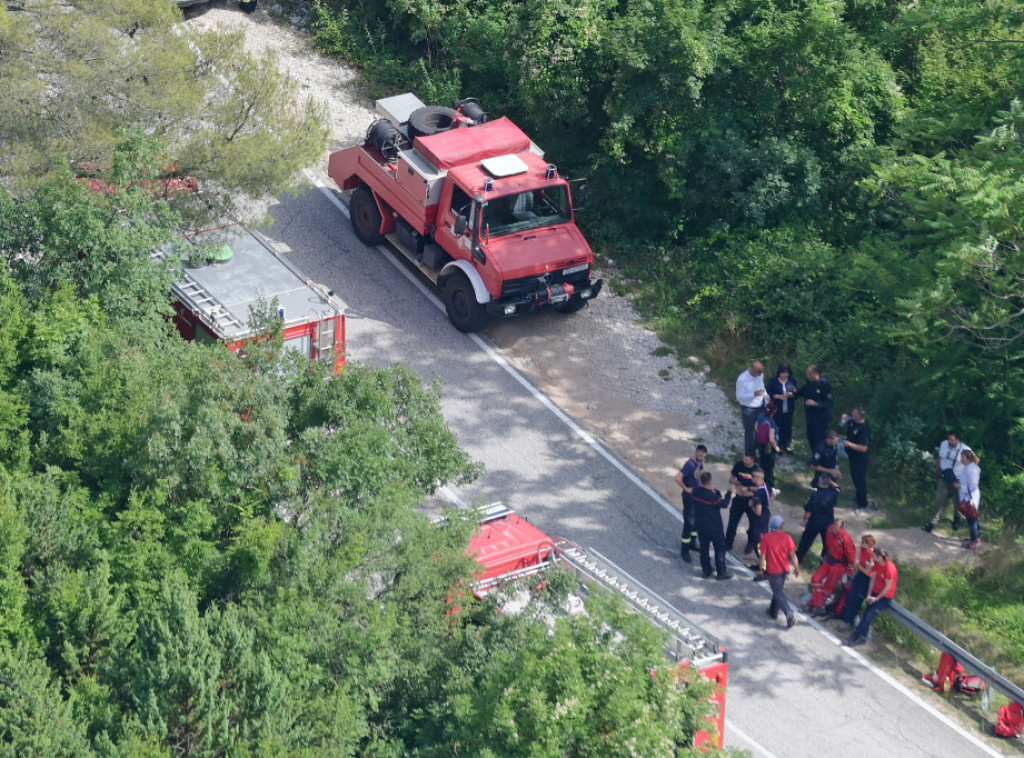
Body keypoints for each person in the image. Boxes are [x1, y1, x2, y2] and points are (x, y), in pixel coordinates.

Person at [844, 547, 897, 646]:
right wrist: (869, 593)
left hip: (884, 596)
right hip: (875, 592)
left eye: (874, 556)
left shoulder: (889, 568)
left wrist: (876, 598)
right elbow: (873, 578)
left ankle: (856, 635)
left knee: (869, 615)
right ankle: (862, 637)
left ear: (880, 557)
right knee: (866, 614)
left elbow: (887, 587)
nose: (872, 557)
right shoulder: (877, 564)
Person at [924, 431, 972, 532]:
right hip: (945, 476)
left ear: (958, 440)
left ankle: (957, 518)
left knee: (959, 500)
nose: (950, 441)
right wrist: (938, 472)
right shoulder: (944, 444)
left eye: (952, 440)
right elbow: (939, 459)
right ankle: (932, 523)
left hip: (959, 478)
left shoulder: (965, 449)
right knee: (939, 499)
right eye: (949, 439)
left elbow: (976, 460)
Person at [691, 472, 735, 580]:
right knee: (720, 549)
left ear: (701, 481)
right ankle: (721, 572)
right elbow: (723, 504)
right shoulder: (712, 497)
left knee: (704, 549)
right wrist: (729, 492)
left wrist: (717, 494)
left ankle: (706, 571)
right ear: (710, 482)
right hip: (714, 528)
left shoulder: (696, 492)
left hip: (701, 526)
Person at [807, 519, 855, 614]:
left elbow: (851, 557)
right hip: (829, 561)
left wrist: (849, 571)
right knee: (815, 579)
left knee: (828, 588)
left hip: (839, 566)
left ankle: (817, 605)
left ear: (841, 528)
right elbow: (828, 545)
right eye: (834, 524)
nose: (834, 526)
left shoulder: (845, 539)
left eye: (836, 525)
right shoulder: (830, 530)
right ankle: (818, 604)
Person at [760, 514, 800, 628]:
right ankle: (773, 612)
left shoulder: (766, 538)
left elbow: (762, 556)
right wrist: (796, 568)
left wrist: (761, 568)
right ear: (781, 526)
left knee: (778, 593)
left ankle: (790, 615)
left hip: (773, 570)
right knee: (778, 591)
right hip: (784, 569)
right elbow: (793, 555)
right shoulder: (787, 537)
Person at [796, 474, 840, 563]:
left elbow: (808, 511)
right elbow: (838, 487)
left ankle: (798, 558)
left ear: (819, 483)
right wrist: (829, 481)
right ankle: (823, 561)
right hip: (828, 522)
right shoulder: (834, 493)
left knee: (806, 541)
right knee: (827, 543)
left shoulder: (815, 495)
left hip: (815, 522)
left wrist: (805, 520)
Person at [675, 445, 707, 563]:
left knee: (696, 522)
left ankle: (693, 542)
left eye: (703, 456)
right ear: (696, 452)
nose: (702, 457)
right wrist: (686, 488)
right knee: (689, 524)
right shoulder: (689, 464)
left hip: (697, 498)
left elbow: (701, 473)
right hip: (689, 499)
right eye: (700, 455)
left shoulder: (699, 463)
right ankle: (684, 550)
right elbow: (678, 478)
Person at [839, 534, 876, 626]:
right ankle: (847, 618)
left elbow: (868, 572)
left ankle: (852, 619)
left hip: (868, 579)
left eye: (864, 542)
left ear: (869, 544)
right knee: (852, 596)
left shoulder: (873, 555)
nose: (861, 544)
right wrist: (861, 566)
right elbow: (856, 565)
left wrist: (860, 566)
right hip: (859, 575)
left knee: (858, 599)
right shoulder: (860, 549)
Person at [725, 454, 758, 552]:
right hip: (739, 498)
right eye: (744, 458)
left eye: (747, 459)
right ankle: (728, 543)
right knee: (732, 522)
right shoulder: (739, 465)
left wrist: (747, 488)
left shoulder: (757, 471)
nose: (744, 461)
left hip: (750, 500)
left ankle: (750, 543)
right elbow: (731, 479)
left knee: (753, 524)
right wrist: (739, 483)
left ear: (753, 459)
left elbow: (759, 488)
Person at [841, 407, 871, 512]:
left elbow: (863, 448)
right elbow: (846, 418)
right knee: (854, 477)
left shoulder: (864, 430)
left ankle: (862, 503)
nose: (852, 415)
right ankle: (858, 497)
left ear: (858, 416)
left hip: (860, 458)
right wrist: (845, 417)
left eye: (854, 414)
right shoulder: (853, 422)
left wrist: (849, 444)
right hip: (853, 456)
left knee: (860, 480)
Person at [798, 364, 834, 452]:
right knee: (811, 437)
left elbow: (829, 402)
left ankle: (822, 458)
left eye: (809, 374)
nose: (808, 376)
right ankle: (815, 457)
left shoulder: (824, 384)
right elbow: (802, 391)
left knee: (819, 438)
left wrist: (816, 403)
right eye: (807, 374)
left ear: (816, 373)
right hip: (810, 416)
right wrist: (795, 391)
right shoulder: (809, 383)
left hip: (820, 417)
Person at [766, 363, 799, 453]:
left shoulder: (792, 380)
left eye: (787, 373)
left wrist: (791, 393)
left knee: (787, 426)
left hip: (789, 408)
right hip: (777, 408)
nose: (785, 375)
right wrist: (778, 396)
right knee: (777, 426)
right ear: (779, 373)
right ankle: (777, 444)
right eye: (783, 373)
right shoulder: (773, 381)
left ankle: (787, 444)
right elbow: (768, 392)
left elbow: (797, 392)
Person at [736, 361, 767, 457]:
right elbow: (739, 397)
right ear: (753, 371)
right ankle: (750, 456)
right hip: (748, 408)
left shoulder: (760, 375)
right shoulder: (742, 379)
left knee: (762, 429)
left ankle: (759, 450)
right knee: (750, 433)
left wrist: (766, 397)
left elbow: (762, 387)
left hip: (760, 406)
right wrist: (754, 394)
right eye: (759, 372)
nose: (760, 375)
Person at [958, 450, 982, 549]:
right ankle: (977, 536)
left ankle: (974, 542)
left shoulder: (972, 470)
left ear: (968, 458)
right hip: (967, 496)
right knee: (973, 518)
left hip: (970, 498)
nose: (961, 459)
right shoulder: (968, 468)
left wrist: (959, 486)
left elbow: (973, 487)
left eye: (963, 457)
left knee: (971, 520)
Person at [756, 402, 782, 491]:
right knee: (769, 466)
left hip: (760, 443)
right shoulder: (772, 422)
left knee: (762, 463)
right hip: (768, 445)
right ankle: (770, 486)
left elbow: (756, 427)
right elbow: (771, 438)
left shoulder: (760, 416)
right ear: (774, 411)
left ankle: (759, 482)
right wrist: (776, 448)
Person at [748, 470, 772, 560]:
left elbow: (758, 512)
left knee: (758, 541)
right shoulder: (767, 486)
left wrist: (751, 506)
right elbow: (772, 495)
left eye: (753, 476)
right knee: (764, 537)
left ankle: (763, 564)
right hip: (766, 514)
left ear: (757, 478)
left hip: (760, 519)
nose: (751, 478)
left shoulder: (758, 493)